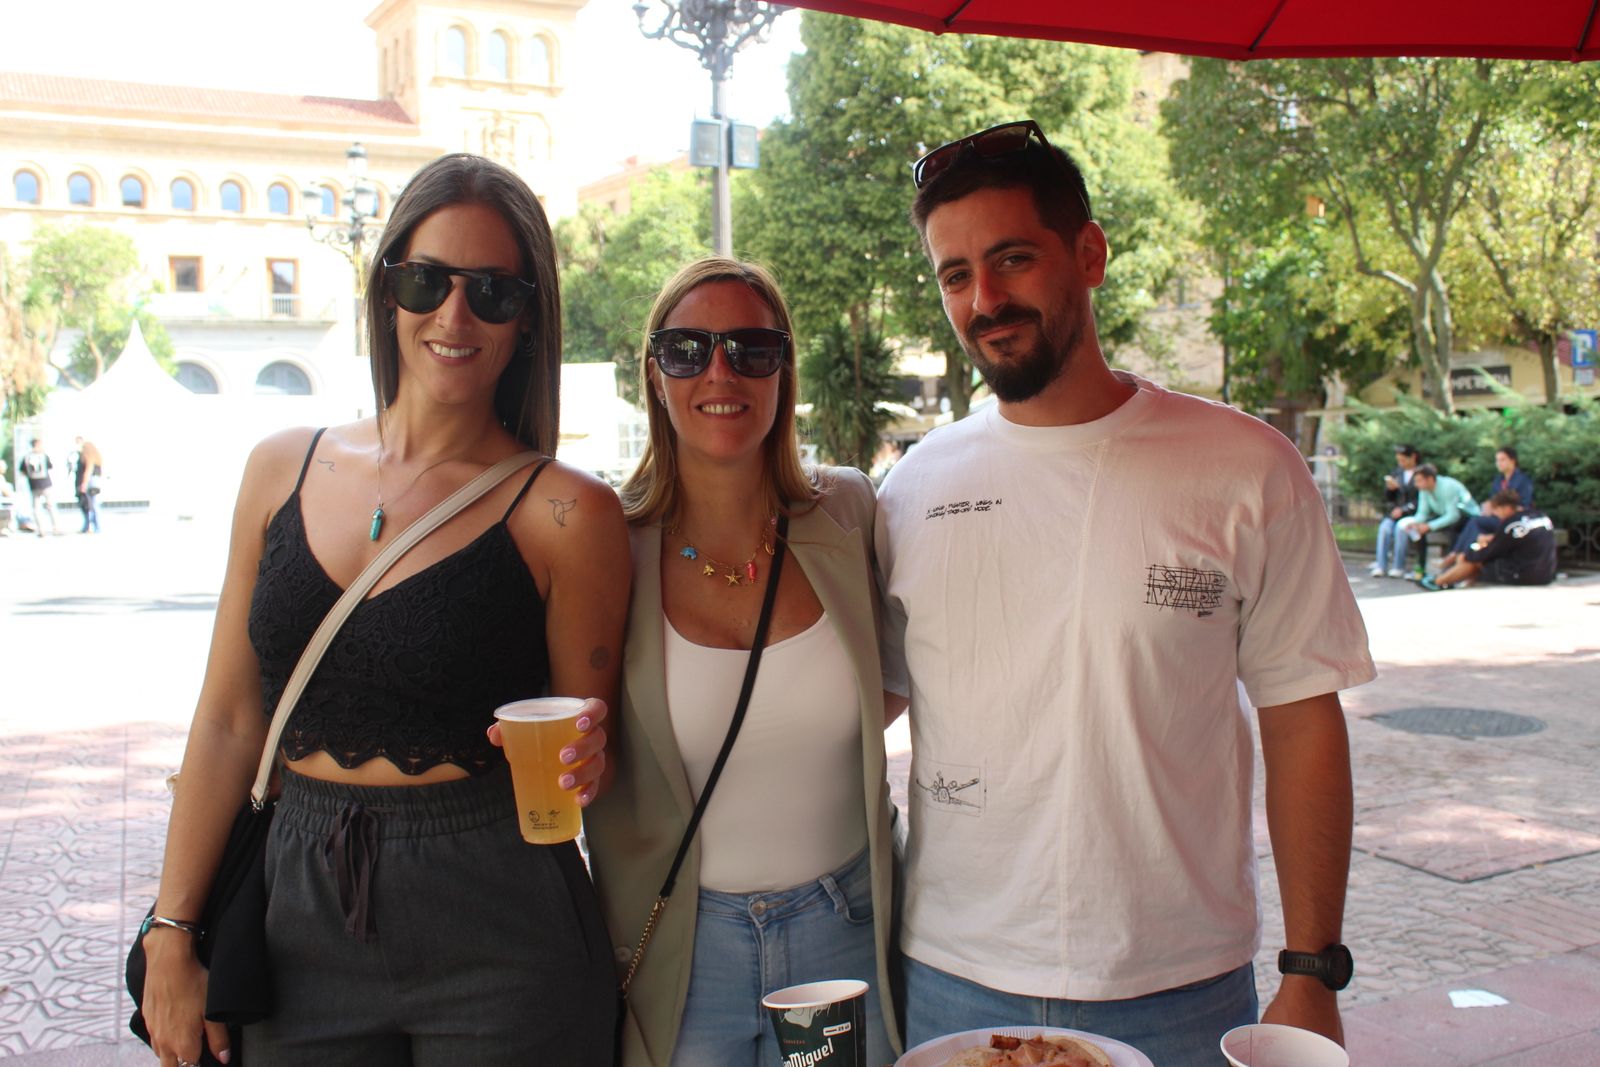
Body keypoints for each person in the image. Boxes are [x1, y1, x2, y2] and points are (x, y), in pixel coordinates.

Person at [874, 119, 1375, 1064]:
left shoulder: (1245, 467)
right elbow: (863, 704)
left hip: (1180, 986)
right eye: (953, 274)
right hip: (950, 975)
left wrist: (1311, 969)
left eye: (1012, 258)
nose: (984, 299)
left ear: (1090, 254)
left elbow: (1303, 712)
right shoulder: (912, 488)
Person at [140, 153, 629, 1067]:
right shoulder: (278, 466)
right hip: (295, 908)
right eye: (426, 280)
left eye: (493, 291)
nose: (454, 315)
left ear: (529, 319)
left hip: (501, 913)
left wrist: (591, 756)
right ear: (387, 292)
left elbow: (585, 756)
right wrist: (173, 927)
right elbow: (228, 718)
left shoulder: (569, 512)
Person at [581, 258, 903, 1067]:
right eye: (687, 348)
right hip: (685, 949)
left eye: (751, 348)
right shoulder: (606, 546)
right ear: (655, 374)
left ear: (783, 370)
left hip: (846, 930)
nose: (719, 371)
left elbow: (892, 686)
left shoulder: (850, 511)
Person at [1421, 491, 1557, 591]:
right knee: (1477, 557)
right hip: (1547, 573)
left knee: (1473, 561)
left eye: (1496, 511)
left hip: (1525, 575)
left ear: (1505, 508)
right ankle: (1456, 581)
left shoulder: (1511, 524)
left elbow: (1491, 552)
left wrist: (1468, 554)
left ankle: (1438, 582)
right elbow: (1516, 542)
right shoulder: (1539, 516)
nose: (1495, 515)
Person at [1445, 446, 1534, 563]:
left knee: (1476, 522)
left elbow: (1525, 506)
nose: (1499, 463)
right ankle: (1463, 557)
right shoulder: (1498, 480)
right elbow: (1494, 500)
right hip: (1496, 517)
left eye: (1502, 460)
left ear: (1512, 460)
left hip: (1513, 520)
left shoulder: (1523, 480)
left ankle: (1457, 554)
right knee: (1467, 523)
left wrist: (1501, 509)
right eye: (1497, 460)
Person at [1396, 463, 1479, 572]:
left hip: (1467, 517)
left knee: (1454, 528)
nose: (1416, 484)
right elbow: (1422, 513)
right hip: (1445, 517)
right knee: (1418, 530)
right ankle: (1421, 567)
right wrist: (1416, 523)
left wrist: (1429, 526)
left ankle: (1450, 568)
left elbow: (1453, 515)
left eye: (1419, 481)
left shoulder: (1447, 487)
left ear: (1430, 479)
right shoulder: (1424, 490)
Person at [1371, 443, 1421, 577]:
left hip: (1412, 514)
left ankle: (1398, 566)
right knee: (1385, 528)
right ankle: (1380, 565)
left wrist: (1404, 509)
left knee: (1400, 529)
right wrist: (1390, 489)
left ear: (1413, 457)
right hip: (1395, 513)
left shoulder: (1420, 473)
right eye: (1399, 460)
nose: (1401, 463)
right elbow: (1389, 498)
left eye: (1403, 460)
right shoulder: (1397, 472)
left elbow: (1420, 498)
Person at [19, 438, 59, 537]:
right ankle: (56, 528)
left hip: (34, 484)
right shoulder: (43, 455)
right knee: (50, 507)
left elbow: (22, 471)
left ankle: (41, 530)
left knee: (36, 509)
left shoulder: (26, 457)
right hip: (46, 484)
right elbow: (50, 467)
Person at [75, 437, 104, 533]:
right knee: (93, 504)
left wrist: (84, 483)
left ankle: (94, 526)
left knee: (90, 505)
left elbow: (88, 471)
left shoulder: (88, 458)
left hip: (90, 482)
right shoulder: (97, 458)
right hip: (96, 482)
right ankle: (94, 526)